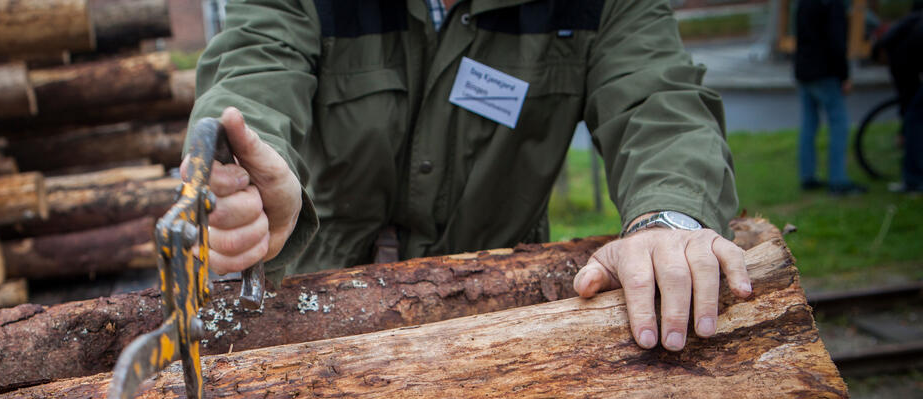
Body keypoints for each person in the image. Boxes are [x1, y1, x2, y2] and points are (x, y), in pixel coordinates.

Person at [187, 0, 752, 352]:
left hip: (506, 326)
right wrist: (250, 181)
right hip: (317, 318)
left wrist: (665, 217)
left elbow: (660, 102)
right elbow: (253, 72)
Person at [794, 0, 866, 195]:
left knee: (809, 125)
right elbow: (837, 41)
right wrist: (843, 75)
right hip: (826, 72)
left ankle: (807, 176)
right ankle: (838, 180)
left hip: (805, 69)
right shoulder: (833, 4)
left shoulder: (804, 4)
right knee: (839, 124)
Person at [873, 7, 923, 193]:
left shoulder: (896, 52)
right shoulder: (905, 30)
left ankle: (913, 180)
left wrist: (904, 131)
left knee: (914, 119)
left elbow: (907, 93)